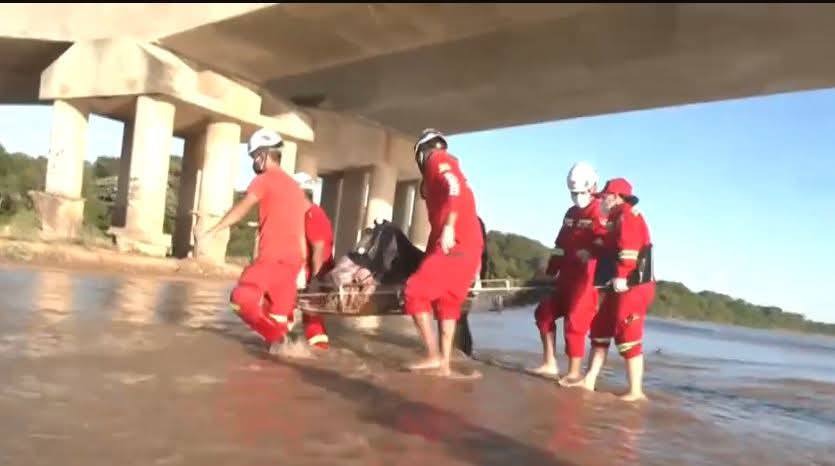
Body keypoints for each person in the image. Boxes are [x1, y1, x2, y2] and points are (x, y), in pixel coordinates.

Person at [197, 128, 308, 353]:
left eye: (254, 156)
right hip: (292, 263)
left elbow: (242, 207)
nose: (254, 161)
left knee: (241, 298)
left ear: (264, 155)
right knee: (277, 323)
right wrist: (303, 265)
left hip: (272, 258)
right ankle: (286, 350)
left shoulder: (264, 179)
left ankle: (281, 340)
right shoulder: (296, 188)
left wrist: (214, 230)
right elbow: (300, 228)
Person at [403, 128, 484, 376]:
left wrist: (448, 228)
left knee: (414, 292)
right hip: (468, 247)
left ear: (422, 153)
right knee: (447, 305)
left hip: (455, 243)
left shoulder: (439, 161)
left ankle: (432, 355)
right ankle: (445, 365)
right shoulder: (446, 169)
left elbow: (455, 189)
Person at [529, 162, 608, 386]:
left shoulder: (601, 210)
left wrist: (592, 250)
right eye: (574, 193)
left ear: (593, 186)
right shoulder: (571, 213)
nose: (578, 197)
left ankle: (574, 372)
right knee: (543, 312)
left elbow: (609, 243)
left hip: (587, 278)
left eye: (581, 192)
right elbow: (559, 245)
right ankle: (550, 363)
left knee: (575, 321)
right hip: (565, 275)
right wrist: (550, 272)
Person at [580, 178, 656, 401]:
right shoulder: (614, 219)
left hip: (633, 285)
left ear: (614, 197)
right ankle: (589, 379)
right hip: (615, 284)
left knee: (628, 334)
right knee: (600, 328)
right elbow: (609, 245)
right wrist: (592, 250)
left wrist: (623, 275)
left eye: (603, 197)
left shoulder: (627, 215)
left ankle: (635, 391)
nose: (600, 201)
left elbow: (630, 249)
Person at [293, 172, 334, 350]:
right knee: (311, 316)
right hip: (308, 274)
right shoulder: (305, 214)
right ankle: (316, 350)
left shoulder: (313, 215)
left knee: (309, 314)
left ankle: (280, 345)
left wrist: (315, 282)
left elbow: (319, 249)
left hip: (314, 274)